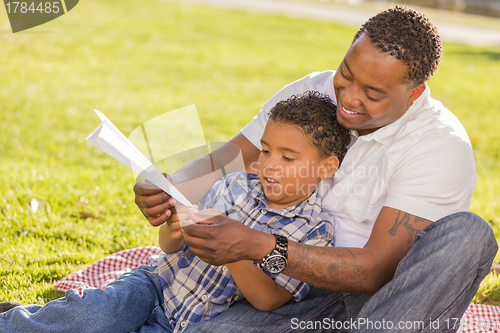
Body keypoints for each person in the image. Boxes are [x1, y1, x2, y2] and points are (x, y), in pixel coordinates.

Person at [134, 6, 498, 333]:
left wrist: (258, 245)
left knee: (470, 233)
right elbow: (231, 158)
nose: (350, 97)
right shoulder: (314, 91)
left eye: (372, 93)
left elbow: (373, 271)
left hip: (380, 307)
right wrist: (174, 187)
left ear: (414, 94)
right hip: (286, 289)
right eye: (347, 73)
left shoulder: (439, 145)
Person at [0, 91, 352, 333]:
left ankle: (32, 319)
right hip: (154, 285)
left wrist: (234, 250)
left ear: (326, 167)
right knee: (91, 315)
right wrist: (176, 223)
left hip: (190, 320)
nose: (269, 165)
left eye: (287, 158)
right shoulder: (235, 186)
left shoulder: (315, 233)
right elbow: (167, 247)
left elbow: (268, 300)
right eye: (264, 151)